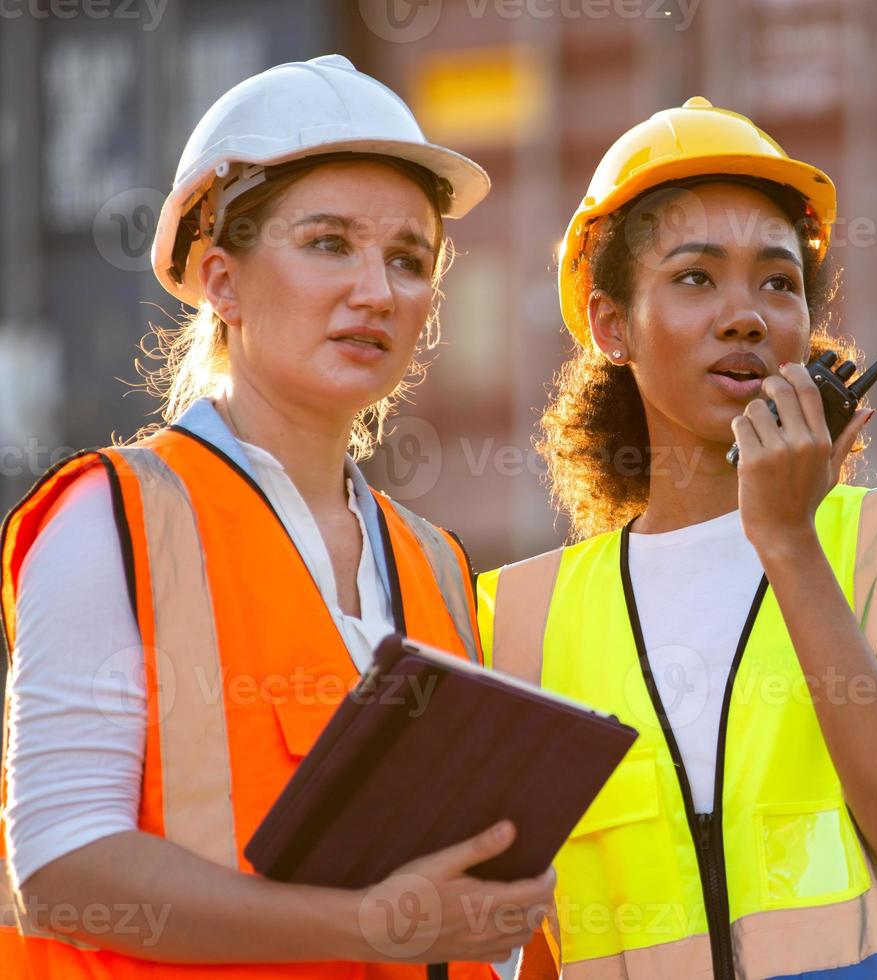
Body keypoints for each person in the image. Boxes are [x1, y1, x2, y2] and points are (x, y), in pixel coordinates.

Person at [0, 55, 552, 977]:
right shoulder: (114, 519)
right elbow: (58, 867)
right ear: (221, 280)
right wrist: (371, 929)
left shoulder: (436, 566)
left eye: (408, 259)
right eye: (328, 243)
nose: (376, 290)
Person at [476, 97, 877, 978]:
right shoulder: (513, 621)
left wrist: (784, 538)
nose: (745, 315)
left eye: (778, 282)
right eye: (695, 278)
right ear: (610, 325)